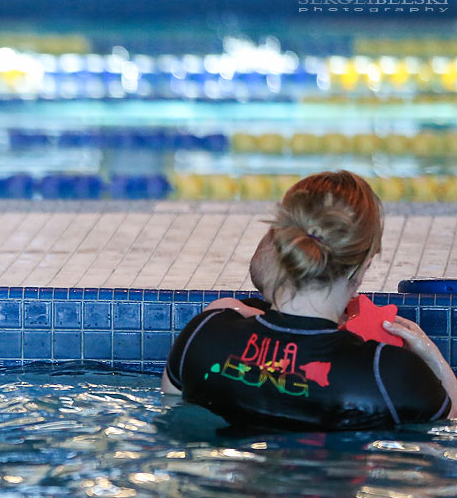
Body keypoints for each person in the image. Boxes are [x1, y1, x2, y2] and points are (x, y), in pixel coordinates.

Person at [163, 170, 457, 430]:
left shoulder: (203, 336)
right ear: (361, 266)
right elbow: (450, 427)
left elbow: (174, 412)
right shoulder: (388, 372)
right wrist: (432, 357)